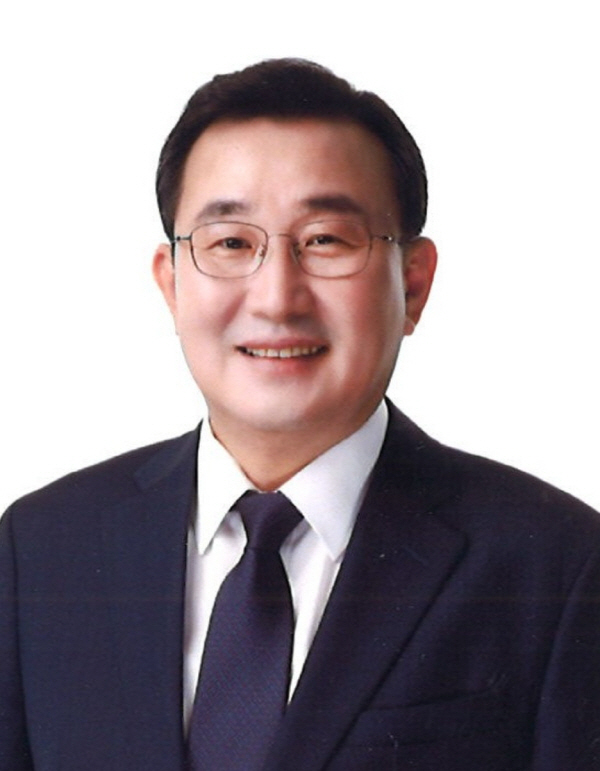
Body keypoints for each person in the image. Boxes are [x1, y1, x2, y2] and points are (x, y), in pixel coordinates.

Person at [1, 58, 599, 771]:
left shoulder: (555, 567)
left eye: (326, 240)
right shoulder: (41, 550)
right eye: (231, 243)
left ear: (413, 283)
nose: (277, 297)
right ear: (172, 283)